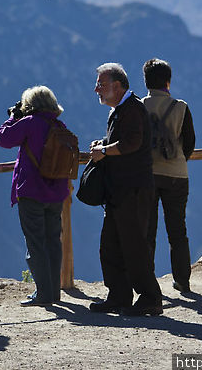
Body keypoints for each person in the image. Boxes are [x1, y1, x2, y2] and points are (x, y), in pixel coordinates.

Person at [88, 63, 164, 316]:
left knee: (133, 246)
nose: (96, 88)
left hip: (132, 190)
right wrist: (104, 144)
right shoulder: (120, 110)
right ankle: (119, 295)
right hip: (119, 192)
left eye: (102, 83)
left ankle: (150, 297)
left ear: (118, 85)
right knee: (110, 246)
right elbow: (125, 141)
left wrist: (104, 151)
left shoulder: (132, 109)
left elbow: (132, 143)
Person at [0, 85, 71, 306]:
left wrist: (12, 117)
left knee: (36, 243)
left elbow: (3, 139)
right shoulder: (59, 125)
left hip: (32, 192)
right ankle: (54, 292)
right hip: (56, 192)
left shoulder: (29, 123)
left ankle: (43, 294)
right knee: (52, 241)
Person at [142, 58, 196, 294]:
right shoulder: (181, 107)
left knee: (147, 230)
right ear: (168, 82)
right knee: (177, 230)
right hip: (177, 175)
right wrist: (175, 159)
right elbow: (190, 143)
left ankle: (147, 281)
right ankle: (182, 281)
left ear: (146, 82)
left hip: (147, 175)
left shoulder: (138, 106)